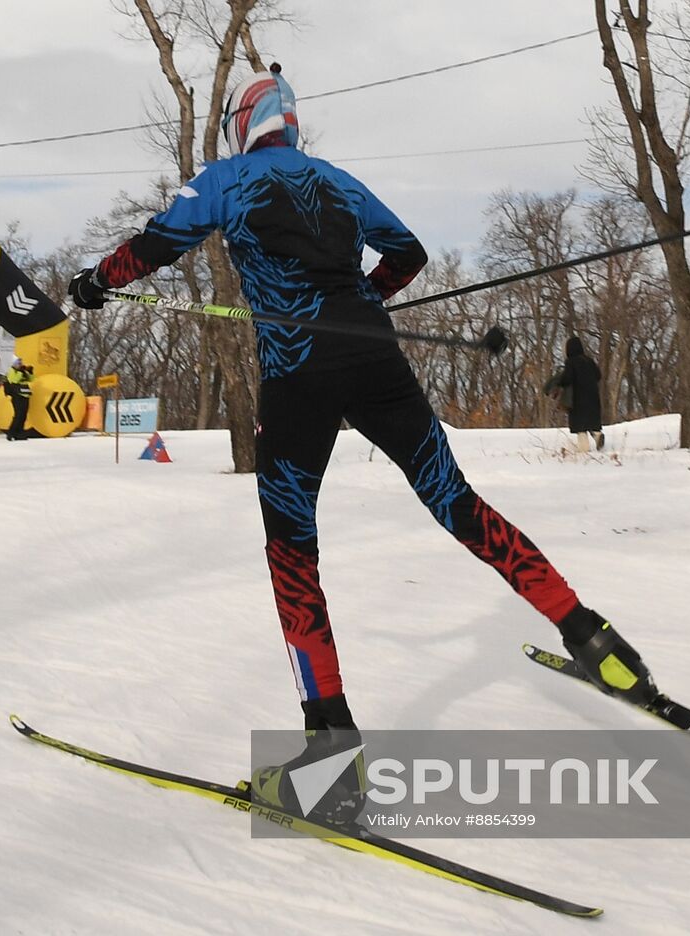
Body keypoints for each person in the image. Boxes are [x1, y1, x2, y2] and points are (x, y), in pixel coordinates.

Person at [68, 63, 655, 821]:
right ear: (292, 121)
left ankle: (332, 752)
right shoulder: (337, 181)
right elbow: (408, 252)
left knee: (292, 549)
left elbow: (153, 247)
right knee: (456, 502)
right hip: (377, 360)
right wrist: (362, 301)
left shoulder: (226, 179)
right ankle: (591, 635)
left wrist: (94, 282)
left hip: (298, 376)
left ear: (243, 124)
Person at [557, 336, 605, 452]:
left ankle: (584, 451)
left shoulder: (571, 362)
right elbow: (598, 375)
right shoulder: (589, 360)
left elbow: (567, 378)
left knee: (580, 426)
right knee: (592, 421)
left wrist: (560, 382)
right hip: (593, 396)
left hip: (578, 398)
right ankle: (598, 435)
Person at [3, 359, 33, 441]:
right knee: (18, 415)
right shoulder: (12, 371)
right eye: (18, 363)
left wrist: (30, 372)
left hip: (25, 394)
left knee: (23, 415)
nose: (20, 364)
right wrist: (20, 372)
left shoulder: (22, 371)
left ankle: (20, 433)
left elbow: (31, 380)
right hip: (17, 396)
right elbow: (14, 380)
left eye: (21, 363)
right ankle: (11, 432)